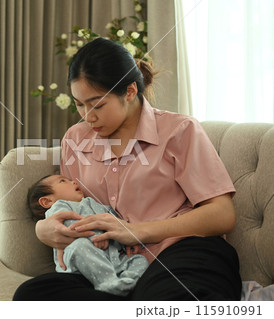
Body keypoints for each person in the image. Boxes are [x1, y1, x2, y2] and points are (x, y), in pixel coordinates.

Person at [13, 37, 242, 301]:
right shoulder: (75, 140)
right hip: (112, 264)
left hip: (181, 250)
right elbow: (71, 205)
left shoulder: (179, 130)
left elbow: (222, 214)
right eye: (79, 104)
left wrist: (138, 231)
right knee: (30, 296)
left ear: (130, 91)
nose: (87, 116)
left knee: (165, 299)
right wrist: (44, 230)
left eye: (97, 104)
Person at [27, 174, 149, 296]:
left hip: (112, 260)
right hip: (80, 264)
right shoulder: (58, 208)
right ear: (47, 201)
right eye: (63, 181)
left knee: (139, 260)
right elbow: (70, 227)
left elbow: (115, 222)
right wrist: (93, 237)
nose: (74, 182)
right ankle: (108, 283)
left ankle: (126, 282)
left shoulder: (95, 204)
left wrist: (127, 240)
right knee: (80, 245)